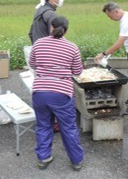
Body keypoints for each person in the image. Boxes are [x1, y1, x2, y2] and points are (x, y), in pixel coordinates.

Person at [29, 16, 84, 172]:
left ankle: (43, 158)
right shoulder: (72, 47)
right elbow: (78, 71)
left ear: (50, 27)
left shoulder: (38, 43)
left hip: (40, 91)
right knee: (68, 127)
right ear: (66, 30)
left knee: (43, 125)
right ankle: (76, 161)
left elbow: (33, 64)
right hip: (61, 93)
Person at [95, 2, 128, 116]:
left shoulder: (126, 21)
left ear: (116, 12)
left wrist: (103, 54)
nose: (110, 19)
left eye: (110, 16)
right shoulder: (127, 14)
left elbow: (119, 43)